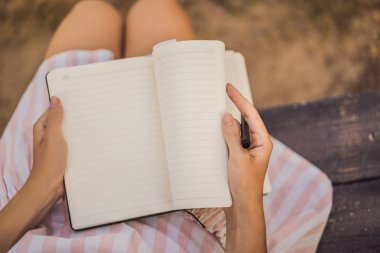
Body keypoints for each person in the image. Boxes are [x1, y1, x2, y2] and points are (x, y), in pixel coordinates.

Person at [0, 0, 272, 252]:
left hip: (30, 205)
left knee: (93, 12)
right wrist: (244, 205)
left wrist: (44, 184)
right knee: (155, 8)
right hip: (183, 222)